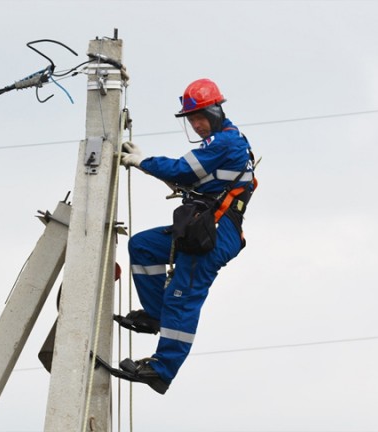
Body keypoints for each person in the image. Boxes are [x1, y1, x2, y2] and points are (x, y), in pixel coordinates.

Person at [116, 78, 257, 394]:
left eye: (200, 117)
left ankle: (162, 370)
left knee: (183, 294)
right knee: (143, 246)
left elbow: (183, 170)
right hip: (204, 226)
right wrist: (148, 165)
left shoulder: (226, 143)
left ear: (217, 110)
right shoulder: (221, 143)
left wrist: (143, 162)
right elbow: (191, 180)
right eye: (192, 120)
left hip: (216, 232)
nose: (197, 125)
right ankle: (155, 315)